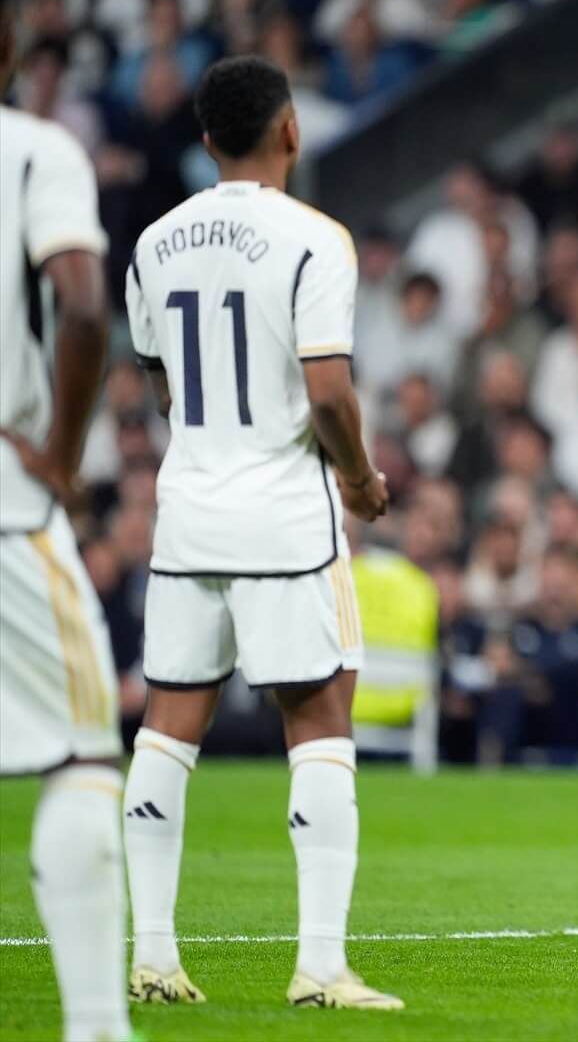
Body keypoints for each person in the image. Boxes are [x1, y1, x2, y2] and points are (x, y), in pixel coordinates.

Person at [119, 56, 402, 1010]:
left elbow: (160, 383)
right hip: (285, 516)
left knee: (167, 727)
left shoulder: (155, 243)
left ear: (207, 142)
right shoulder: (315, 238)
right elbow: (327, 388)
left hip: (189, 510)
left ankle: (153, 958)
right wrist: (360, 479)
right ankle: (320, 965)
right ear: (291, 131)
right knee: (318, 722)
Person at [0, 0, 133, 1042]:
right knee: (86, 751)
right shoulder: (37, 149)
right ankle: (97, 1026)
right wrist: (61, 449)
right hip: (5, 500)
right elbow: (83, 306)